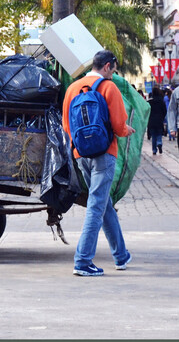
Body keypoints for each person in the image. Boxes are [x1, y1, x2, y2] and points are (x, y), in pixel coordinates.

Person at [62, 50, 135, 277]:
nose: (113, 74)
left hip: (81, 154)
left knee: (104, 202)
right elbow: (119, 124)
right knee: (96, 205)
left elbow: (67, 125)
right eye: (113, 69)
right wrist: (127, 130)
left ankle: (121, 255)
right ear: (107, 66)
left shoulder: (73, 88)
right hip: (105, 153)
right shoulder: (108, 87)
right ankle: (83, 261)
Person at [147, 88, 167, 155]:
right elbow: (164, 111)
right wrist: (162, 117)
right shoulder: (161, 101)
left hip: (151, 121)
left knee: (153, 136)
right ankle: (159, 143)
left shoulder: (149, 102)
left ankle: (154, 150)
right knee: (159, 134)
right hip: (159, 120)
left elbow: (146, 111)